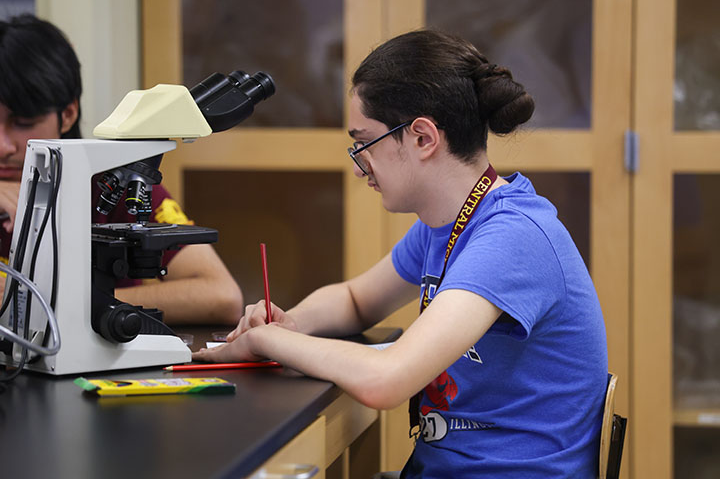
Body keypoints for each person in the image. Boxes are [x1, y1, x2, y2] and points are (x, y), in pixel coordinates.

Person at [193, 29, 608, 478]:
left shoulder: (513, 237)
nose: (358, 168)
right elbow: (356, 300)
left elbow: (386, 379)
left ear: (423, 138)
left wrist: (270, 341)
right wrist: (290, 322)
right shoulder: (446, 223)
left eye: (364, 143)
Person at [0, 14, 244, 325]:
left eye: (23, 123)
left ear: (68, 113)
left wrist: (51, 301)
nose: (3, 147)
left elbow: (221, 296)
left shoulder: (115, 183)